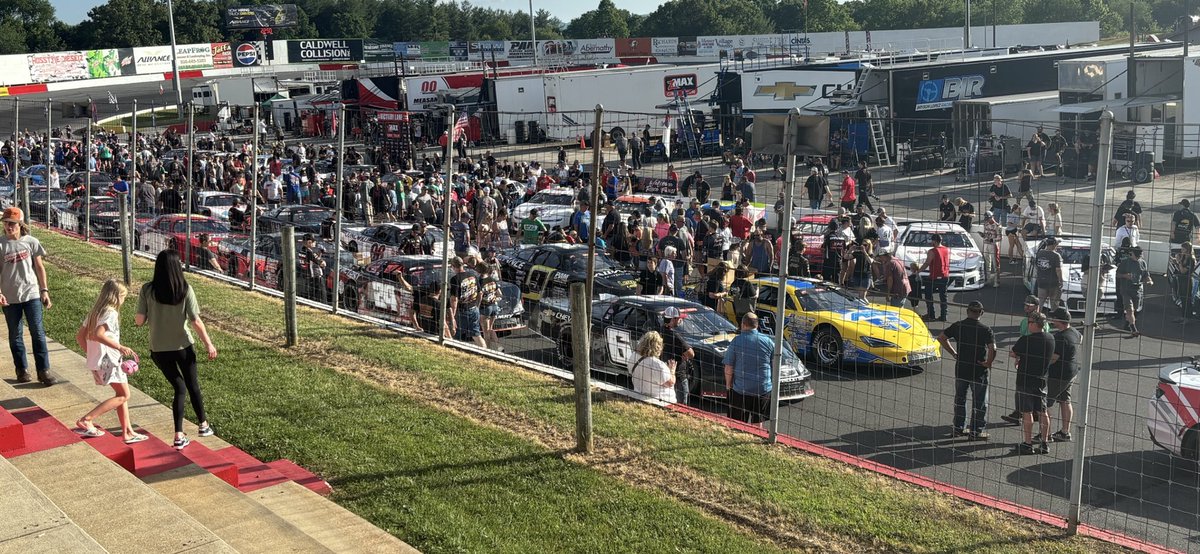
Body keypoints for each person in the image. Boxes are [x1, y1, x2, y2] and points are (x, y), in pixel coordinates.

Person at [136, 250, 218, 451]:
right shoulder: (185, 289)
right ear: (177, 267)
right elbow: (195, 321)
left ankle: (179, 434)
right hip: (183, 346)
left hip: (159, 349)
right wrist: (209, 344)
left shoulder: (147, 290)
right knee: (192, 385)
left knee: (179, 388)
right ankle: (203, 425)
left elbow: (139, 321)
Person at [73, 279, 148, 443]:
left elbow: (80, 336)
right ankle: (87, 419)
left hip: (101, 361)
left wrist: (92, 354)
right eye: (123, 297)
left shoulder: (95, 311)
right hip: (111, 361)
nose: (124, 300)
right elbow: (98, 334)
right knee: (124, 395)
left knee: (121, 394)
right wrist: (119, 347)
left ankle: (127, 432)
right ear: (117, 297)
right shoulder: (111, 313)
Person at [0, 207, 56, 386]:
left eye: (12, 224)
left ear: (20, 224)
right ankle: (22, 369)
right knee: (15, 334)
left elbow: (39, 267)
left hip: (31, 294)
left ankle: (44, 371)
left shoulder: (31, 242)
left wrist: (44, 290)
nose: (9, 227)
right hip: (10, 297)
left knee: (37, 333)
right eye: (6, 223)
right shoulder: (1, 245)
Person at [937, 301, 997, 440]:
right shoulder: (985, 329)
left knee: (960, 399)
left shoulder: (958, 326)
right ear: (981, 313)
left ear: (967, 311)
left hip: (961, 368)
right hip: (978, 370)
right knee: (980, 402)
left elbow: (941, 338)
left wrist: (953, 353)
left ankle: (958, 428)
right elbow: (993, 348)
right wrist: (988, 362)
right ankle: (976, 431)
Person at [1009, 311, 1055, 455]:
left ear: (1035, 324)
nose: (1028, 325)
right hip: (1041, 380)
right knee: (1042, 411)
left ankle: (1028, 443)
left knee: (1027, 411)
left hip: (1025, 380)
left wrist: (1019, 357)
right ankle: (1045, 442)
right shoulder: (1050, 339)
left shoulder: (1026, 340)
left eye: (1029, 322)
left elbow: (1013, 352)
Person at [723, 312, 774, 426]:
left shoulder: (737, 341)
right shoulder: (768, 341)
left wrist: (728, 385)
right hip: (763, 388)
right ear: (757, 325)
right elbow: (773, 364)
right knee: (758, 422)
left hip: (741, 389)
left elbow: (729, 367)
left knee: (738, 423)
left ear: (743, 324)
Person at [1045, 307, 1080, 442]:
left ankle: (1045, 434)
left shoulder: (1059, 337)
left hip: (1059, 375)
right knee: (1065, 400)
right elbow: (1080, 340)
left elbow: (1053, 358)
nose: (1052, 320)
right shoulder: (1075, 332)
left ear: (1060, 320)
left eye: (1054, 318)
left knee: (1046, 403)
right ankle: (1065, 432)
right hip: (1072, 372)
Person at [447, 256, 486, 347]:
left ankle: (455, 352)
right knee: (476, 334)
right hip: (474, 308)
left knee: (455, 334)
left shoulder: (455, 279)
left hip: (461, 311)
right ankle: (486, 352)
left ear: (453, 266)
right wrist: (477, 306)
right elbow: (480, 293)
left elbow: (454, 299)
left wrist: (452, 316)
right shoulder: (473, 275)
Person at [660, 307, 695, 406]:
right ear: (673, 319)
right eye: (679, 318)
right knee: (681, 406)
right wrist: (685, 352)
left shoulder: (659, 331)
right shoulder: (674, 335)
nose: (681, 320)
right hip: (679, 376)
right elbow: (691, 354)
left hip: (664, 373)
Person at [630, 331, 676, 402]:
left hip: (639, 394)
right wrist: (672, 371)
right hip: (661, 400)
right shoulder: (658, 365)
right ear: (658, 346)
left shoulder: (633, 356)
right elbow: (670, 383)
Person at [1116, 246, 1151, 338]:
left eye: (1140, 255)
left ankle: (1128, 322)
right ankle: (1134, 330)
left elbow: (1146, 275)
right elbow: (1117, 274)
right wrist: (1124, 276)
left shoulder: (1143, 263)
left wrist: (1149, 280)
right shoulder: (1125, 263)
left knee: (1135, 310)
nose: (1139, 257)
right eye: (1138, 255)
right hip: (1126, 290)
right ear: (1132, 254)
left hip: (1137, 290)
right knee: (1130, 309)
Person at [918, 233, 950, 322]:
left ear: (934, 241)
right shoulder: (946, 249)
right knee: (943, 296)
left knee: (928, 295)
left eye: (932, 241)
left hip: (934, 277)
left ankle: (931, 315)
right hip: (945, 276)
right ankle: (944, 316)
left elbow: (927, 263)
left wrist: (918, 271)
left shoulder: (932, 251)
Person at [476, 261, 502, 351]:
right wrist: (493, 298)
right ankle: (499, 346)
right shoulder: (492, 280)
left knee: (485, 331)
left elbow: (479, 296)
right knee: (490, 328)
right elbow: (499, 294)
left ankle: (488, 350)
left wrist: (477, 307)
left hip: (484, 308)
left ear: (478, 271)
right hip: (494, 306)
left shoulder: (479, 281)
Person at [1035, 237, 1065, 310]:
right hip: (1053, 283)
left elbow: (1036, 266)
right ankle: (1053, 317)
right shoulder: (1056, 255)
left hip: (1041, 282)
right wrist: (1061, 280)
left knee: (1040, 302)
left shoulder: (1040, 253)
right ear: (1054, 244)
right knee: (1054, 303)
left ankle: (1037, 317)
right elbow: (1058, 269)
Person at [300, 234, 327, 303]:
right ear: (309, 242)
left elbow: (312, 260)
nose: (315, 244)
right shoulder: (309, 252)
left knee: (311, 297)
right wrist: (322, 261)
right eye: (314, 242)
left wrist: (319, 254)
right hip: (315, 277)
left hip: (306, 276)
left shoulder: (302, 250)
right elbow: (321, 263)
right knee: (321, 298)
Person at [1174, 242, 1197, 323]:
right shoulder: (1183, 257)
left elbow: (1183, 271)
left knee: (1187, 299)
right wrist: (1176, 261)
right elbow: (1179, 268)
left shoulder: (1191, 259)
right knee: (1182, 299)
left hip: (1187, 281)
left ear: (1187, 249)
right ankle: (1183, 316)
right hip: (1181, 280)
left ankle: (1188, 318)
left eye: (1183, 249)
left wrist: (1179, 261)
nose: (1181, 250)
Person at [980, 212, 1001, 288]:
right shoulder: (985, 224)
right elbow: (986, 234)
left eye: (988, 218)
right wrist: (983, 235)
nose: (987, 220)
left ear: (992, 217)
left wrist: (992, 239)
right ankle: (988, 279)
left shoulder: (997, 226)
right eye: (986, 219)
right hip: (986, 244)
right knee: (986, 262)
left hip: (993, 245)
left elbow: (1000, 238)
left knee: (995, 263)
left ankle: (996, 281)